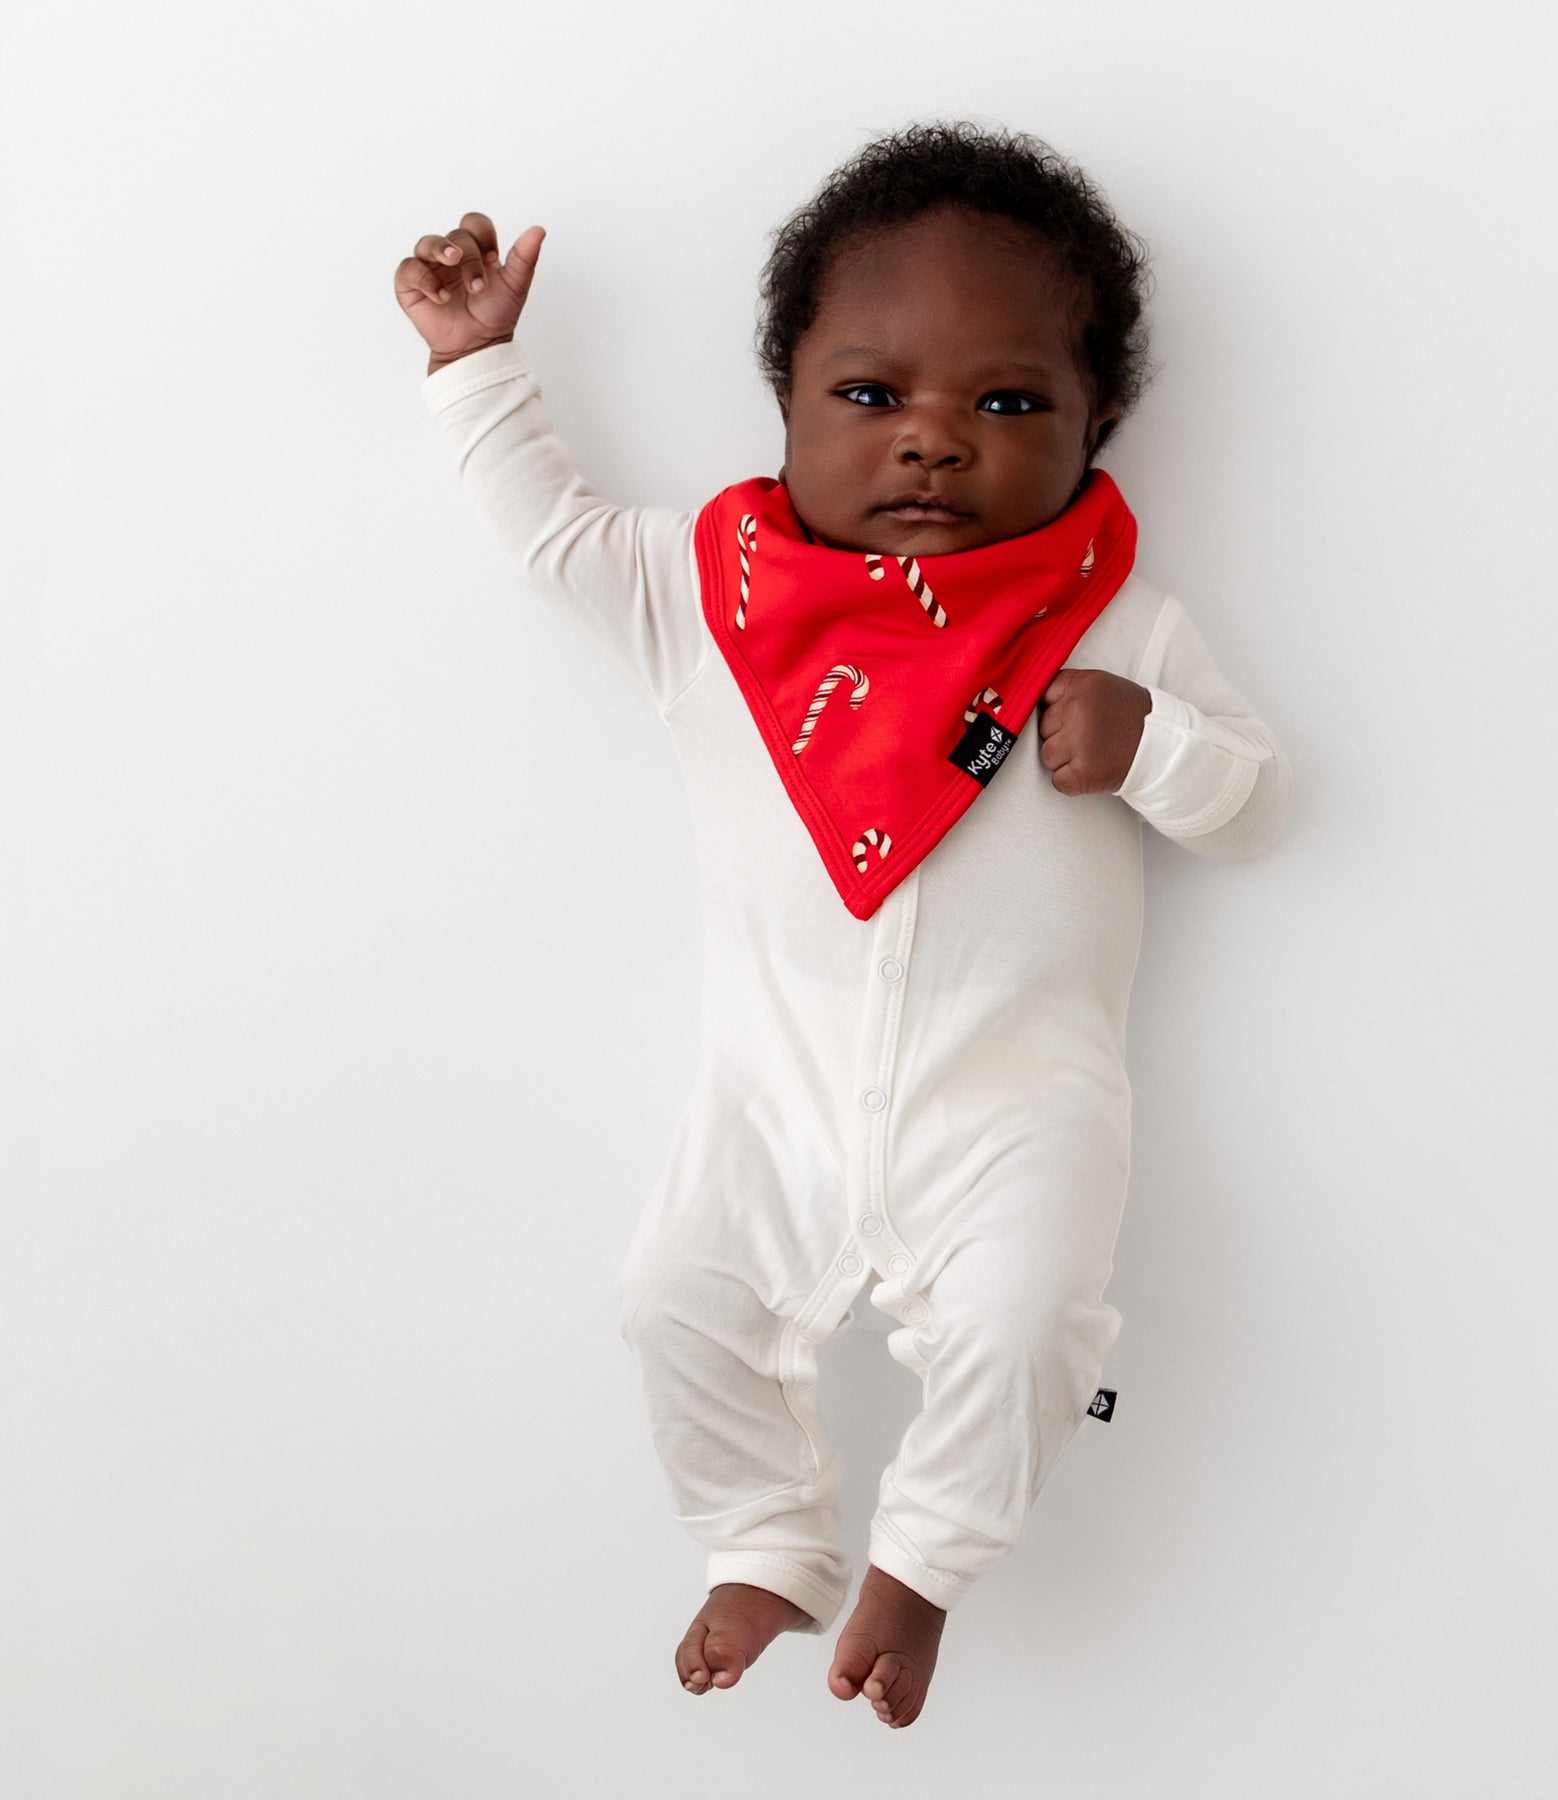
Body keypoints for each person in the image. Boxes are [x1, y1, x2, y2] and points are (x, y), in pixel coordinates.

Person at [394, 121, 1292, 1730]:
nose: (933, 444)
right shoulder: (710, 603)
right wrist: (476, 368)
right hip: (772, 1093)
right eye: (871, 397)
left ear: (1100, 427)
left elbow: (1259, 802)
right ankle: (762, 1541)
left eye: (1007, 403)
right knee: (672, 1296)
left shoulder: (1112, 620)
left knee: (1026, 1329)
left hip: (1015, 1108)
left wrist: (1152, 744)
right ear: (788, 402)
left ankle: (920, 1567)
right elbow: (554, 537)